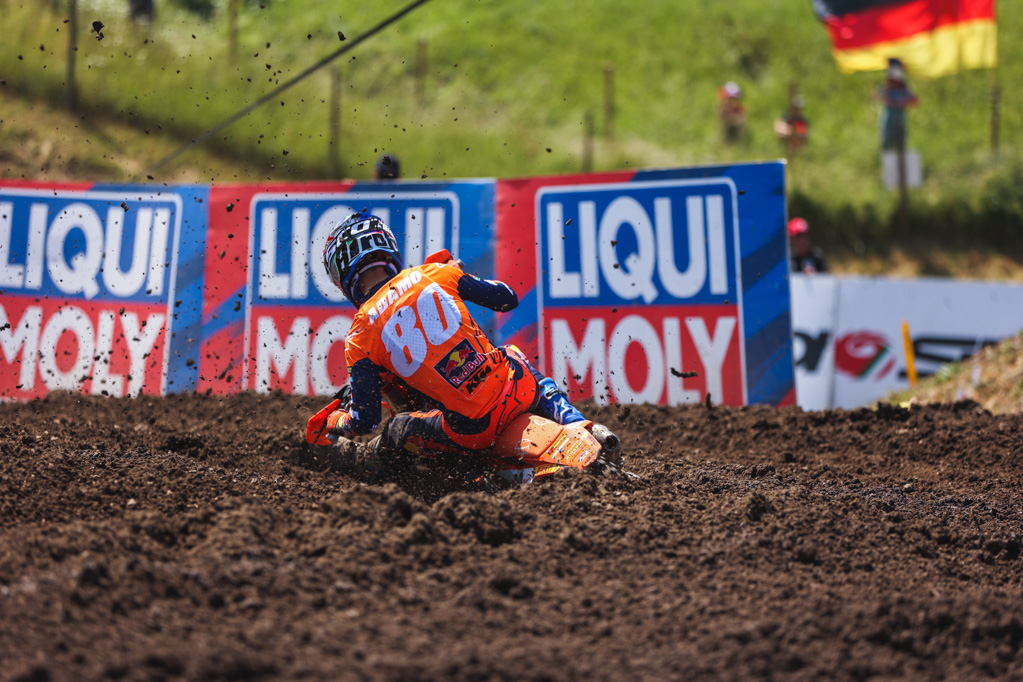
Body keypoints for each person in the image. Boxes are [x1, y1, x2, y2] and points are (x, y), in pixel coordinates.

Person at [315, 212, 620, 481]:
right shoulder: (434, 273)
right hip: (517, 389)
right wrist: (459, 273)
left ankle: (451, 481)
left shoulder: (359, 336)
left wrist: (336, 420)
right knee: (512, 353)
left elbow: (365, 420)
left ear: (342, 275)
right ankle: (578, 423)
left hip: (473, 429)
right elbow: (507, 298)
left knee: (398, 429)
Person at [875, 58, 918, 151]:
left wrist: (903, 102)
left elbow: (915, 100)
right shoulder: (886, 89)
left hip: (900, 113)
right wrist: (886, 98)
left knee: (901, 135)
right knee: (887, 134)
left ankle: (900, 150)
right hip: (889, 113)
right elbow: (876, 97)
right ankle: (887, 150)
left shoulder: (904, 89)